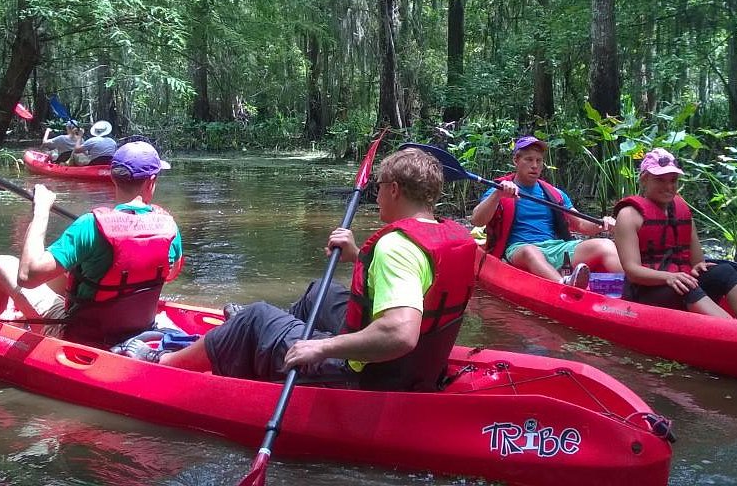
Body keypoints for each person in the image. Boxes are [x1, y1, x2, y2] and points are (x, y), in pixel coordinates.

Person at [117, 148, 478, 393]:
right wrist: (358, 256)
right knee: (321, 291)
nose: (375, 194)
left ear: (395, 189)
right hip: (416, 369)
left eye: (378, 188)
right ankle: (265, 341)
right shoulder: (452, 236)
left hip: (370, 375)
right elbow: (421, 286)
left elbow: (400, 334)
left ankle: (165, 361)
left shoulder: (396, 246)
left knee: (255, 317)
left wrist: (320, 350)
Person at [0, 140, 182, 345]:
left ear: (112, 177)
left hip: (79, 335)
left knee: (1, 264)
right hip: (139, 328)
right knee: (69, 272)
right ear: (151, 181)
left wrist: (41, 210)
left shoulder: (89, 225)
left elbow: (27, 276)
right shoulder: (169, 227)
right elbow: (171, 273)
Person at [612, 148, 737, 322]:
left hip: (679, 285)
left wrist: (699, 267)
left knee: (724, 271)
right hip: (644, 294)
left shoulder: (681, 212)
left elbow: (697, 262)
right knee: (685, 285)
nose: (668, 186)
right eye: (660, 179)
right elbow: (633, 271)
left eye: (673, 180)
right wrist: (670, 277)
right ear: (644, 179)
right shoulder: (628, 215)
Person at [471, 135, 620, 286]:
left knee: (605, 244)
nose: (534, 165)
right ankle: (563, 284)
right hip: (519, 250)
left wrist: (603, 223)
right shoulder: (501, 188)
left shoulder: (555, 194)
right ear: (516, 161)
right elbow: (477, 220)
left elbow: (581, 225)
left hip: (555, 247)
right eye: (528, 159)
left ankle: (633, 288)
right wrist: (497, 195)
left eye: (539, 160)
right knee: (531, 251)